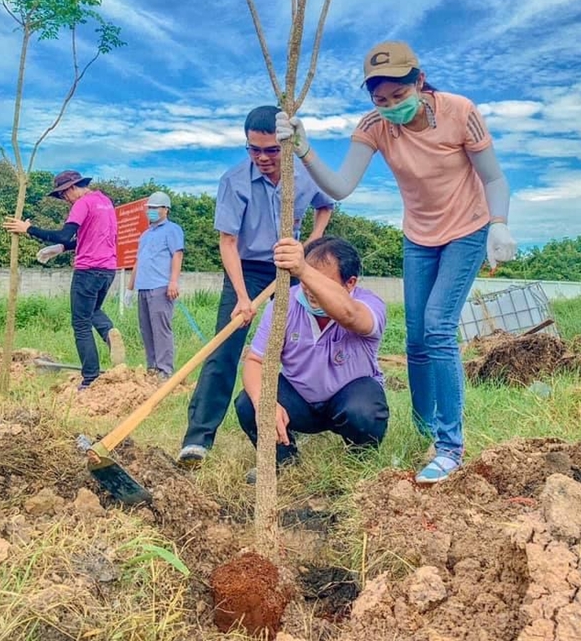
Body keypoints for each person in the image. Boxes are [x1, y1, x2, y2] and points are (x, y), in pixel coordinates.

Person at [276, 41, 517, 484]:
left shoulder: (460, 111)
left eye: (399, 96)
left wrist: (499, 224)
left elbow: (494, 177)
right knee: (416, 338)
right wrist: (304, 149)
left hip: (468, 229)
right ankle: (426, 431)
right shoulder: (375, 127)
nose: (390, 107)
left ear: (419, 81)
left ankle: (450, 446)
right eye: (380, 100)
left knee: (439, 326)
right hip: (419, 236)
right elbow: (341, 186)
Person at [178, 105, 335, 463]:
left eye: (272, 150)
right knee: (224, 350)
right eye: (254, 149)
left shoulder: (304, 175)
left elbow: (326, 205)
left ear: (286, 145)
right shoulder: (234, 182)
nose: (263, 158)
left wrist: (312, 243)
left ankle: (296, 424)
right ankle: (198, 439)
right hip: (246, 269)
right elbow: (228, 242)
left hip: (291, 267)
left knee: (298, 346)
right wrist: (242, 296)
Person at [234, 236, 389, 479]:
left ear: (350, 283)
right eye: (305, 281)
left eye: (320, 281)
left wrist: (304, 271)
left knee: (364, 412)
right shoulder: (285, 304)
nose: (309, 289)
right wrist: (265, 403)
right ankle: (285, 463)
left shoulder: (369, 304)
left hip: (349, 399)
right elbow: (256, 362)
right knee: (248, 403)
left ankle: (358, 464)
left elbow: (351, 315)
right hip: (300, 399)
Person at [3, 170, 125, 390]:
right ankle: (109, 333)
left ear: (72, 187)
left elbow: (64, 235)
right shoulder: (105, 202)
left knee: (81, 324)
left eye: (63, 194)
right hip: (108, 269)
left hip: (87, 270)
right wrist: (60, 249)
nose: (64, 199)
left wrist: (28, 229)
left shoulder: (82, 203)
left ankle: (90, 378)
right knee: (93, 310)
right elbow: (85, 238)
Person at [123, 191, 184, 381]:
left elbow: (177, 255)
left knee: (160, 329)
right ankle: (152, 367)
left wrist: (173, 281)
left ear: (166, 209)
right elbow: (138, 261)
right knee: (147, 329)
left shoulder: (172, 230)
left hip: (160, 286)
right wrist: (129, 289)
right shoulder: (145, 235)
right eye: (149, 207)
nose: (151, 211)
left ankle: (165, 369)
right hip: (143, 286)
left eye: (155, 208)